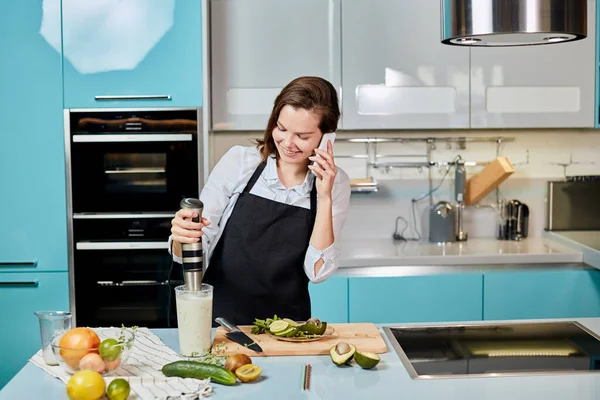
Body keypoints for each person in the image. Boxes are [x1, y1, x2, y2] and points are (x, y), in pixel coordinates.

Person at [169, 76, 351, 326]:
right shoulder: (239, 163)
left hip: (288, 329)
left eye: (302, 136)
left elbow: (317, 273)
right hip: (220, 322)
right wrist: (183, 238)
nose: (288, 143)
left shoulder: (336, 183)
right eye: (282, 128)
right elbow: (196, 248)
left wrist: (325, 196)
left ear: (326, 137)